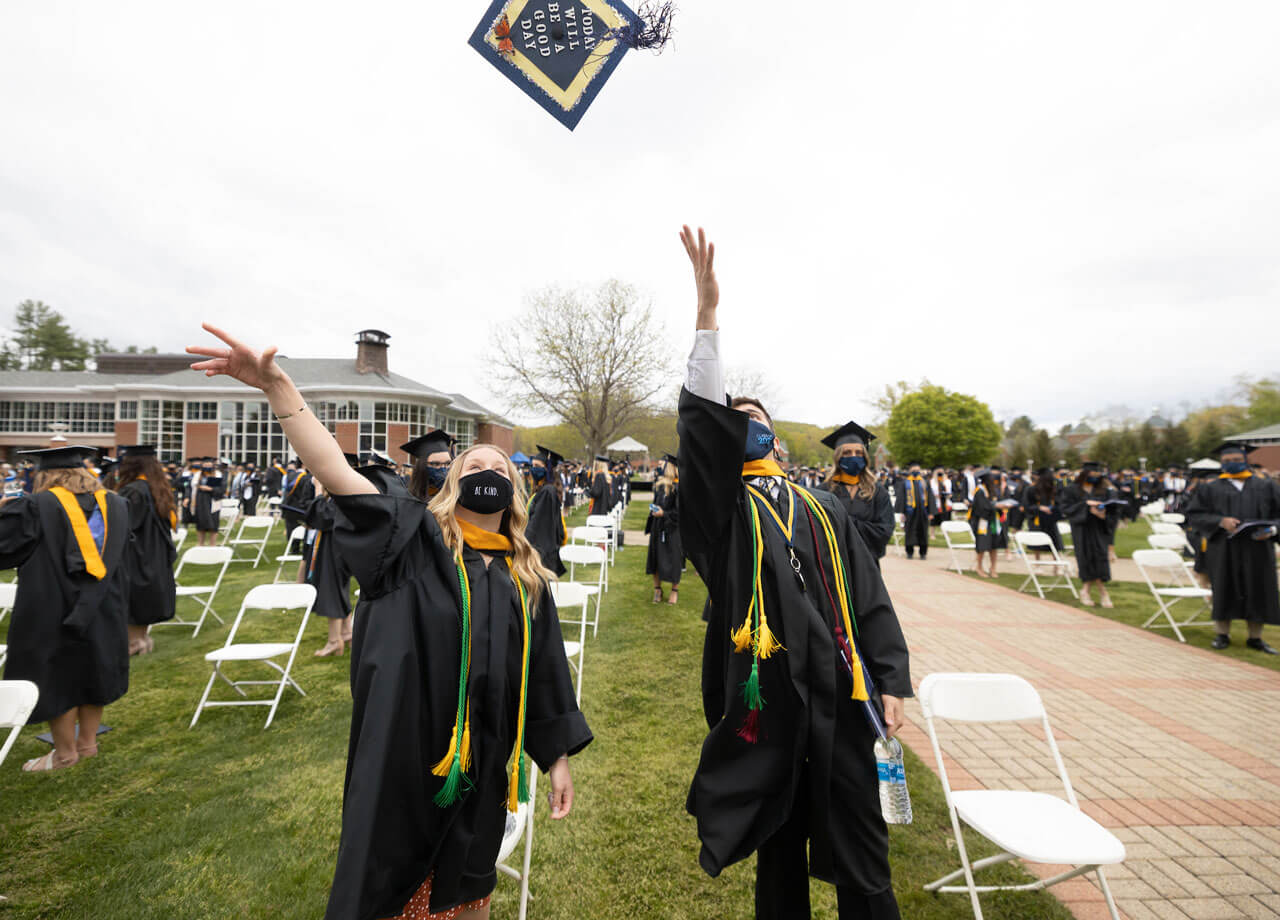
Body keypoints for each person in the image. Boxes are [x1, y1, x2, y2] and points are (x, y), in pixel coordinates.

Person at [187, 323, 591, 920]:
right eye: (472, 461)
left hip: (485, 757)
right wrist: (280, 391)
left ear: (514, 492)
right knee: (395, 890)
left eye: (499, 466)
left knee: (471, 887)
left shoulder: (525, 576)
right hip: (405, 757)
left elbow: (547, 673)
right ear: (451, 482)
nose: (486, 468)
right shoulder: (413, 543)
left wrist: (554, 757)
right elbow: (339, 477)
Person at [677, 226, 910, 920]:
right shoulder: (720, 512)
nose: (742, 422)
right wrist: (708, 315)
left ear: (776, 438)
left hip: (841, 686)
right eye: (732, 418)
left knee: (862, 841)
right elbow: (700, 431)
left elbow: (868, 592)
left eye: (755, 417)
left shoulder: (823, 505)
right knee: (778, 845)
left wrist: (891, 676)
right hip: (767, 694)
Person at [0, 445, 130, 772]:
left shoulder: (35, 506)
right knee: (94, 667)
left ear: (44, 475)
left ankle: (64, 754)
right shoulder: (117, 504)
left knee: (56, 674)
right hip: (103, 604)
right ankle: (87, 745)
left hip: (51, 604)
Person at [1187, 442, 1280, 654]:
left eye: (1237, 460)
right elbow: (1195, 514)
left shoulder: (1266, 486)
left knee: (1258, 589)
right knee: (1223, 587)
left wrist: (1273, 530)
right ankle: (1222, 634)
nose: (1233, 464)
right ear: (1221, 462)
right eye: (1228, 461)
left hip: (1257, 547)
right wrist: (1220, 521)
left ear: (1245, 460)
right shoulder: (1210, 488)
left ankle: (1255, 638)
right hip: (1223, 547)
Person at [115, 445, 179, 656]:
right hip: (155, 554)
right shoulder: (157, 487)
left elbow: (124, 526)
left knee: (134, 597)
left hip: (138, 554)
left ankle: (134, 643)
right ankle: (142, 639)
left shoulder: (133, 490)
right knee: (143, 599)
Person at [814, 421, 895, 563]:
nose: (853, 456)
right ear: (838, 457)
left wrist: (846, 523)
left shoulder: (877, 491)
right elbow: (816, 532)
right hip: (833, 566)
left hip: (867, 563)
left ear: (865, 457)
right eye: (847, 453)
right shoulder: (822, 492)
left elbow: (884, 531)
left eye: (858, 452)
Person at [303, 477, 355, 657]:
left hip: (334, 552)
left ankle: (334, 641)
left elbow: (324, 518)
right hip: (336, 550)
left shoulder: (341, 497)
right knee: (339, 591)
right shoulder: (342, 496)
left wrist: (318, 490)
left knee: (331, 593)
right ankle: (347, 633)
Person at [1061, 461, 1119, 607]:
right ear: (1084, 474)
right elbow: (1065, 509)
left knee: (1099, 558)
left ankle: (1086, 590)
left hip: (1099, 529)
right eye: (1091, 475)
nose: (1094, 477)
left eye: (1097, 475)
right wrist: (1086, 506)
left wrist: (1102, 515)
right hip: (1081, 530)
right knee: (1086, 558)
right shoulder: (1071, 490)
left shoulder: (1104, 491)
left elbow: (1113, 512)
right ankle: (1102, 593)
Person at [645, 453, 683, 604]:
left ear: (670, 467)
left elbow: (680, 512)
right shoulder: (660, 485)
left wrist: (664, 513)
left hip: (672, 528)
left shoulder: (679, 487)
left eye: (662, 465)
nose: (659, 467)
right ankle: (657, 590)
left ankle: (674, 591)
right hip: (658, 526)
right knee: (655, 558)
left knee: (674, 560)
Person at [526, 445, 567, 577]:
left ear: (548, 468)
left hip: (540, 555)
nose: (533, 469)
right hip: (541, 553)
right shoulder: (543, 490)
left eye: (537, 465)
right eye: (532, 465)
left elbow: (537, 526)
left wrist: (522, 544)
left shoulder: (547, 492)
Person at [968, 469, 1004, 577]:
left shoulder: (992, 490)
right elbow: (981, 507)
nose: (993, 480)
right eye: (991, 478)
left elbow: (995, 502)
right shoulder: (980, 491)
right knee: (982, 545)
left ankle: (993, 568)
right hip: (982, 522)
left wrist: (1000, 507)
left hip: (993, 521)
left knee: (994, 545)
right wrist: (995, 506)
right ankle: (979, 567)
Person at [894, 460, 934, 560]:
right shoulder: (905, 482)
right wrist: (902, 512)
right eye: (913, 469)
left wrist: (931, 512)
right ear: (910, 470)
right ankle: (909, 552)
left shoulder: (924, 482)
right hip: (910, 512)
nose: (916, 470)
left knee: (923, 532)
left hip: (923, 511)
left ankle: (923, 552)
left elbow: (930, 497)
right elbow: (901, 497)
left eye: (917, 469)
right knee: (910, 531)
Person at [402, 429, 457, 502]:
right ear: (422, 467)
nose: (443, 469)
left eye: (448, 463)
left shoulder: (458, 498)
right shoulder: (407, 501)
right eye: (435, 464)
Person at [1022, 467, 1064, 553]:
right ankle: (1037, 561)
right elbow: (1026, 505)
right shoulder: (1031, 489)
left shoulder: (1054, 489)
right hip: (1037, 518)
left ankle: (1056, 562)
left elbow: (1060, 503)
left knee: (1054, 541)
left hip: (1050, 518)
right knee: (1037, 542)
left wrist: (1054, 509)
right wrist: (1039, 508)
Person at [189, 457, 224, 547]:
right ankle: (201, 544)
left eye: (209, 465)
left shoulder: (218, 474)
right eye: (205, 465)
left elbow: (222, 489)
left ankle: (213, 544)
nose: (207, 467)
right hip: (201, 501)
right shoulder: (197, 475)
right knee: (201, 523)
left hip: (214, 501)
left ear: (213, 466)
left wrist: (211, 488)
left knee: (213, 523)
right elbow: (193, 488)